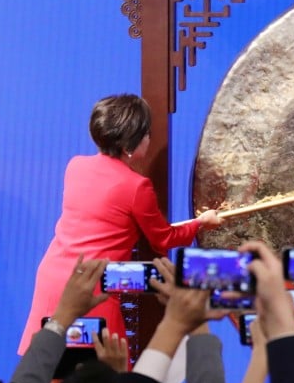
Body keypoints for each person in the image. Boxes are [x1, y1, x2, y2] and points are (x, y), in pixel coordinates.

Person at [18, 93, 221, 354]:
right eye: (146, 134)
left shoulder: (75, 166)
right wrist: (201, 223)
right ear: (130, 145)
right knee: (101, 370)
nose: (149, 139)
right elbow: (164, 239)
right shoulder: (136, 187)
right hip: (93, 288)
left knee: (49, 365)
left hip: (54, 277)